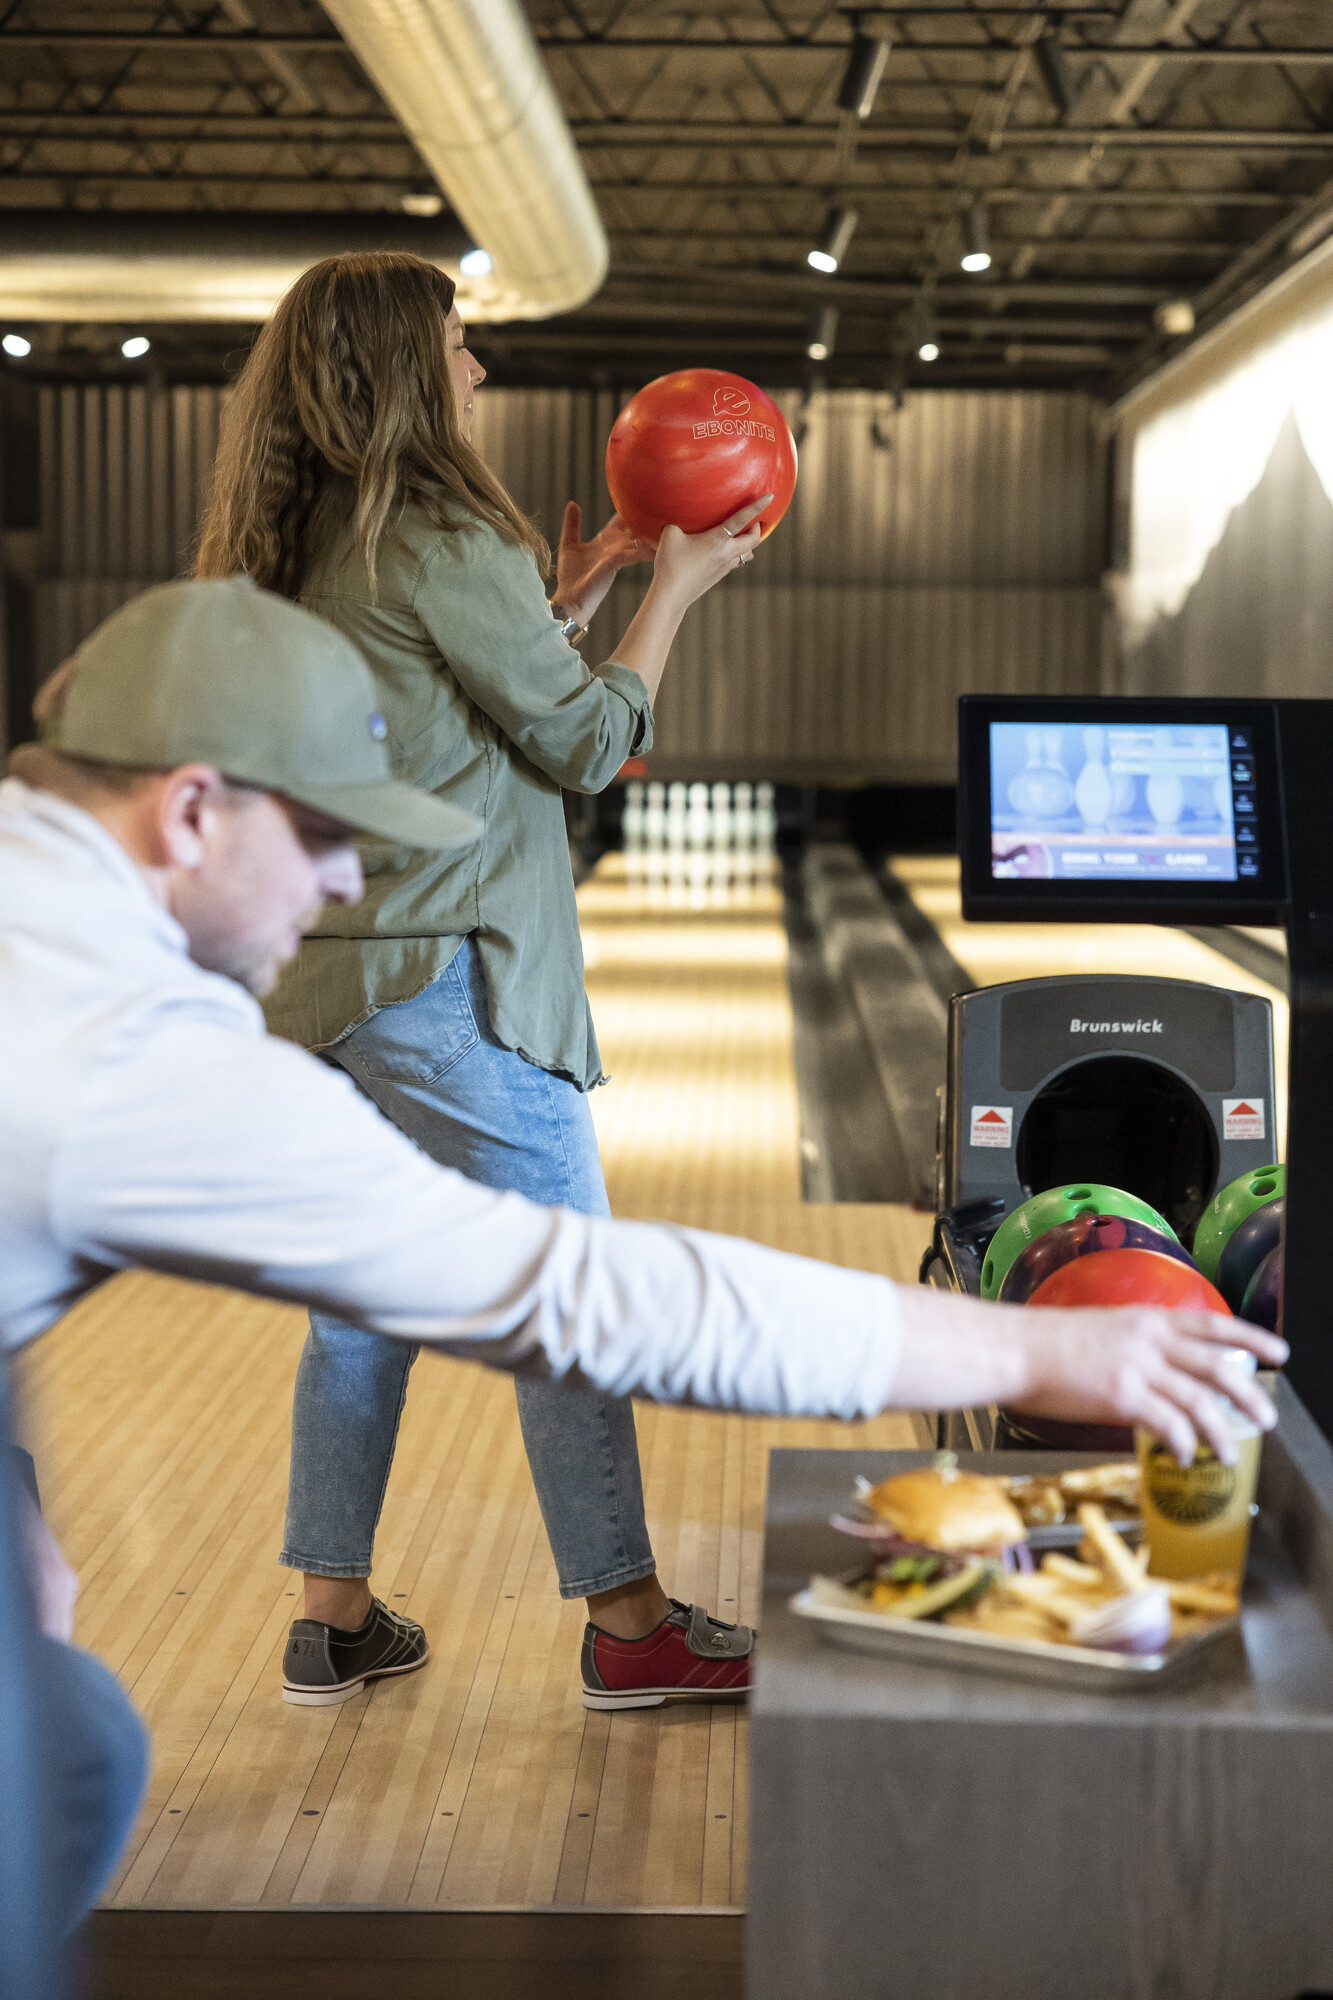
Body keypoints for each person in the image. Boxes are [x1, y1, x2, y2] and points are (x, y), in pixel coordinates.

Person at [1, 580, 1283, 1941]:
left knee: (67, 1728)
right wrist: (1038, 1345)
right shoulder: (127, 1050)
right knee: (63, 1756)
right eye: (328, 836)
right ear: (191, 810)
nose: (343, 884)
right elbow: (575, 1296)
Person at [192, 249, 778, 1708]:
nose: (477, 368)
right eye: (458, 344)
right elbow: (582, 747)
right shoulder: (439, 532)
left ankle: (331, 1617)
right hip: (449, 984)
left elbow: (433, 709)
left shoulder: (298, 536)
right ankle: (630, 1623)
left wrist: (564, 598)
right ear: (404, 365)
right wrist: (678, 591)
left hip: (324, 991)